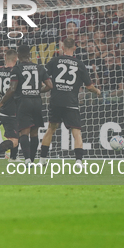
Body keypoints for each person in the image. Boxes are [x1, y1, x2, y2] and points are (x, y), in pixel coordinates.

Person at [39, 37, 101, 168]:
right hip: (71, 101)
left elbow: (44, 77)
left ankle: (42, 160)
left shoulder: (54, 61)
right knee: (76, 131)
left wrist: (42, 89)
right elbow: (89, 87)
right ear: (75, 48)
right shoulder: (79, 64)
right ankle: (78, 161)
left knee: (51, 129)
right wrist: (97, 91)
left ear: (62, 48)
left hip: (56, 100)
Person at [0, 46, 52, 166]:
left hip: (23, 102)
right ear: (30, 55)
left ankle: (27, 160)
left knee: (24, 132)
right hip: (37, 102)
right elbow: (49, 85)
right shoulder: (39, 67)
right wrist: (37, 90)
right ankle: (32, 159)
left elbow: (12, 89)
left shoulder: (16, 69)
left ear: (18, 57)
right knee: (35, 133)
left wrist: (1, 102)